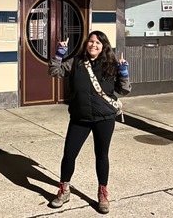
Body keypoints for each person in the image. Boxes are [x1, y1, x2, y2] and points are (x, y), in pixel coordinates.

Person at [47, 30, 131, 214]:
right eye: (91, 41)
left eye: (98, 42)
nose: (94, 45)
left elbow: (124, 90)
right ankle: (64, 190)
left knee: (102, 155)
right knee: (69, 154)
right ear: (87, 44)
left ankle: (102, 192)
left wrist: (124, 72)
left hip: (104, 118)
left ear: (104, 46)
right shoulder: (76, 62)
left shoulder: (112, 64)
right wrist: (60, 53)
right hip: (80, 117)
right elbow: (54, 71)